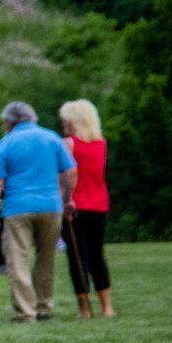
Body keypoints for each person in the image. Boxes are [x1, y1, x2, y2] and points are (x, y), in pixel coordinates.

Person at [0, 100, 77, 323]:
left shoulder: (6, 143)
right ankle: (43, 307)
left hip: (18, 208)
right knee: (46, 258)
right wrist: (66, 199)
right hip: (50, 206)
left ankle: (26, 312)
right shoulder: (52, 138)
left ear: (10, 121)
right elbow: (71, 171)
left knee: (18, 260)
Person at [59, 98, 113, 318]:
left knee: (77, 255)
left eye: (65, 119)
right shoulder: (101, 144)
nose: (63, 123)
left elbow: (64, 175)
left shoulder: (68, 144)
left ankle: (84, 307)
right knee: (97, 254)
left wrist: (64, 199)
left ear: (75, 120)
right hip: (99, 203)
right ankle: (107, 306)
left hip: (74, 205)